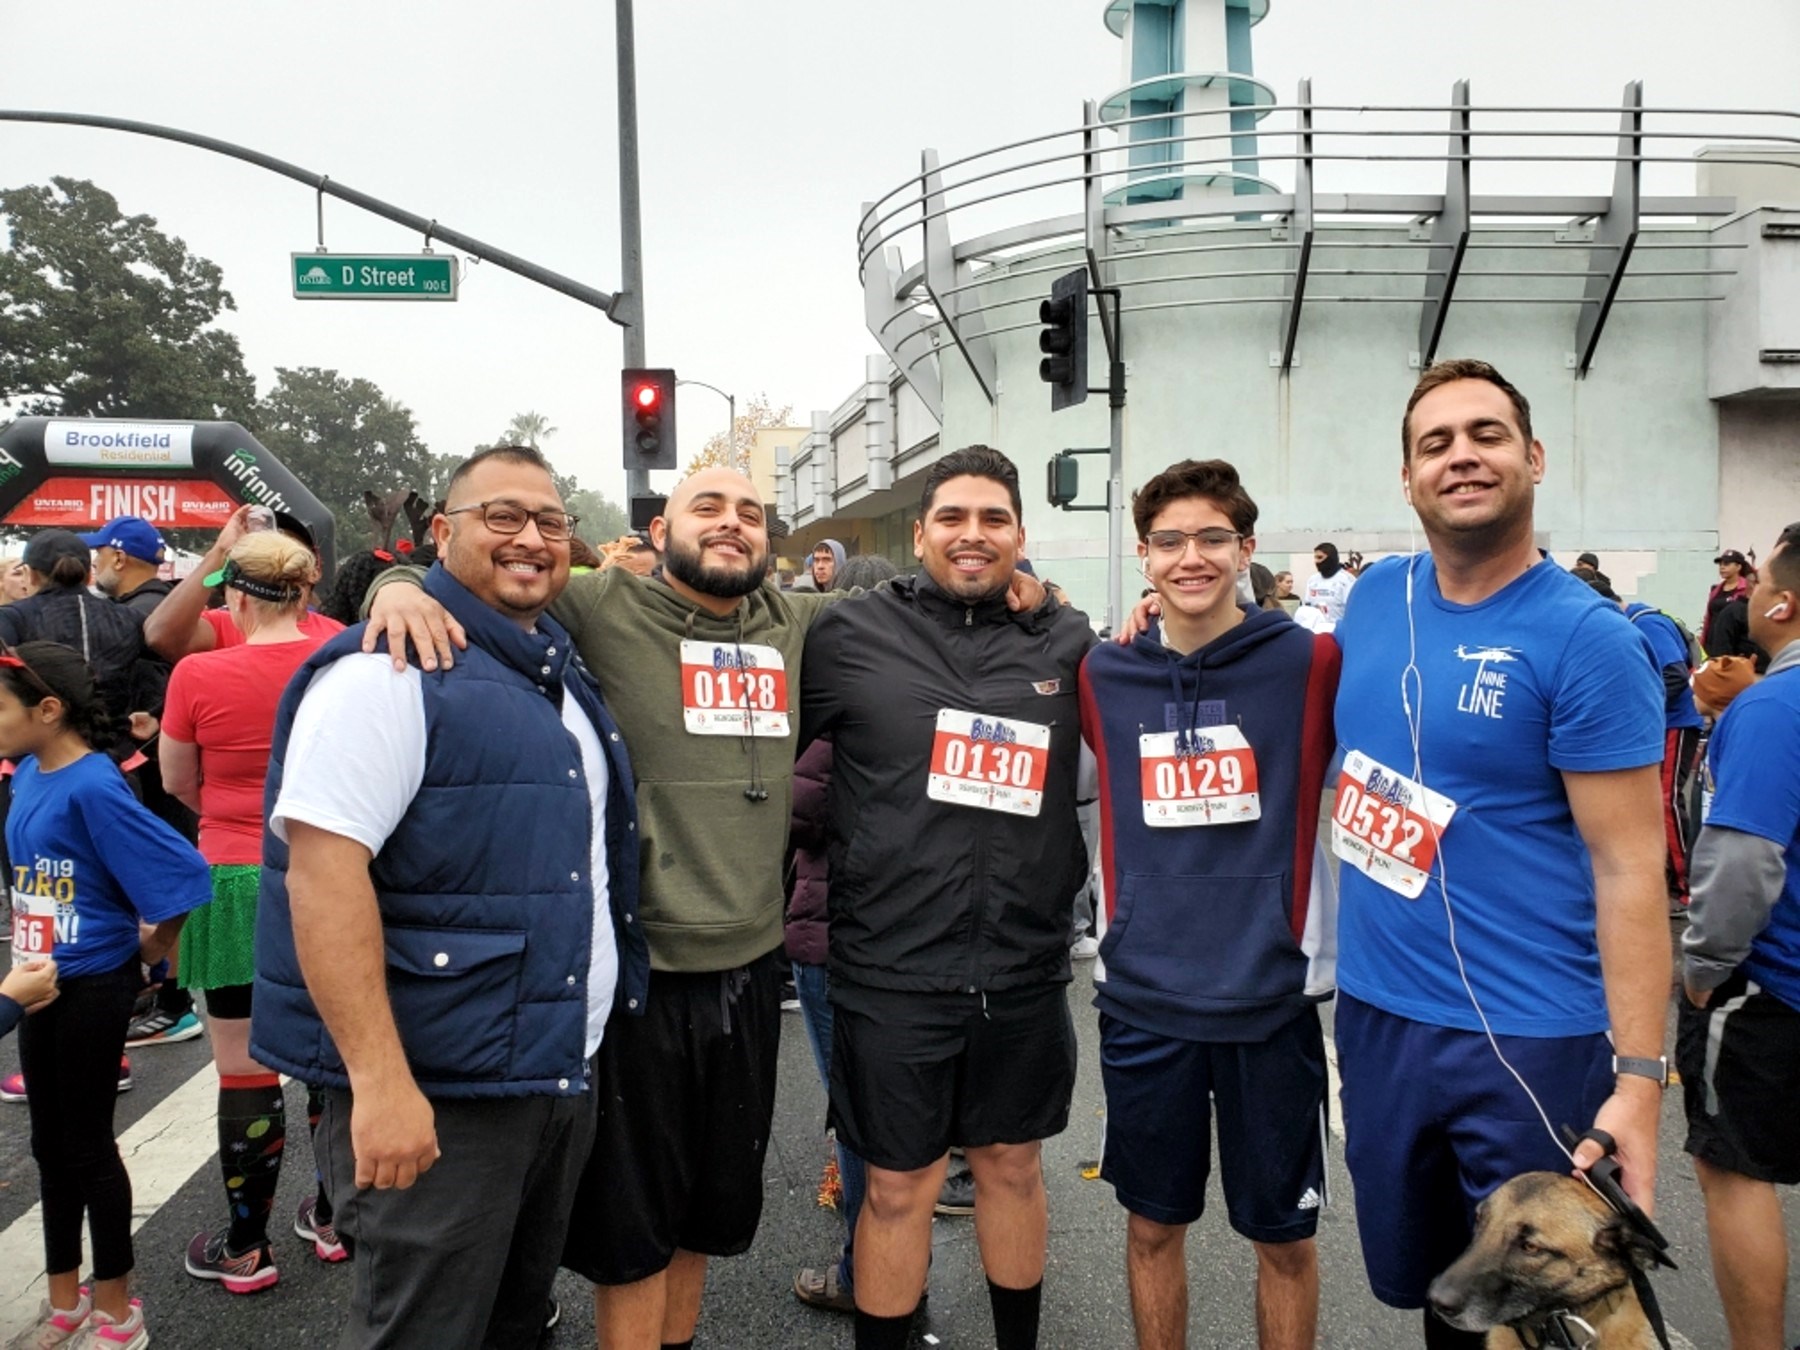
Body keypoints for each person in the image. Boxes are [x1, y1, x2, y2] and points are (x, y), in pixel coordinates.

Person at [364, 465, 833, 1350]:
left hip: (751, 973)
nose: (732, 524)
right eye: (708, 508)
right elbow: (491, 581)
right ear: (661, 533)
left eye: (751, 514)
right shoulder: (599, 606)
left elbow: (918, 614)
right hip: (639, 978)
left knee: (710, 1212)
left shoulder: (797, 622)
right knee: (631, 1232)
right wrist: (397, 587)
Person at [251, 445, 646, 1346]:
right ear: (441, 533)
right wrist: (380, 1084)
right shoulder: (385, 672)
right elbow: (321, 874)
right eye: (501, 517)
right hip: (435, 1093)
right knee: (421, 1331)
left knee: (515, 1322)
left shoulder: (554, 666)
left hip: (548, 1074)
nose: (531, 538)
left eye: (550, 522)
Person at [1330, 359, 1667, 1349]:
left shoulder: (1586, 639)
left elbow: (1630, 872)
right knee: (1448, 1300)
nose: (1462, 456)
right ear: (1407, 479)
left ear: (1533, 457)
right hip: (1381, 1022)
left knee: (1557, 1320)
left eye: (1486, 434)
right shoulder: (1374, 596)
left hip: (1526, 1041)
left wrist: (1640, 1083)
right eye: (1435, 443)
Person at [799, 446, 1093, 1350]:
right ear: (921, 532)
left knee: (1012, 1170)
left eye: (993, 519)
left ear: (1020, 536)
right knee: (895, 1187)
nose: (974, 536)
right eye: (955, 519)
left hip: (1022, 965)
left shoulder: (1066, 640)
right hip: (891, 969)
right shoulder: (845, 634)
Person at [1082, 460, 1340, 1350]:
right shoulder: (1101, 673)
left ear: (1247, 549)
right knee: (1152, 1227)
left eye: (1212, 538)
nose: (1192, 558)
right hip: (1145, 1001)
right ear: (1143, 556)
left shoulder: (1312, 662)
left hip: (1272, 1003)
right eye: (1169, 541)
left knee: (1286, 1241)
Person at [3, 640, 211, 1350]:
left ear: (48, 710)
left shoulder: (93, 783)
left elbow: (181, 867)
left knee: (88, 1146)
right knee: (48, 1145)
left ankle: (118, 1309)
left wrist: (149, 950)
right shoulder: (27, 772)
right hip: (36, 983)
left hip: (91, 983)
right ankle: (64, 1299)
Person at [158, 531, 334, 1293]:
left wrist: (232, 817)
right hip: (329, 875)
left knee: (243, 1070)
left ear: (233, 592)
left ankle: (245, 1248)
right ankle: (332, 1218)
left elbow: (176, 781)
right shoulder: (338, 655)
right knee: (336, 1056)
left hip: (232, 875)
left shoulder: (199, 671)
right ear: (306, 589)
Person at [1677, 522, 1800, 1350]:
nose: (1748, 595)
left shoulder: (1771, 707)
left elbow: (1744, 859)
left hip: (1771, 987)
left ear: (1783, 603)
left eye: (1757, 584)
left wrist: (1703, 966)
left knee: (1734, 1171)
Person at [788, 552, 899, 1318]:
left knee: (859, 1112)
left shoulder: (837, 706)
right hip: (895, 934)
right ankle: (892, 1263)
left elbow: (802, 812)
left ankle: (869, 1272)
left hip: (833, 934)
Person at [80, 515, 205, 1048]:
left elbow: (159, 699)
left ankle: (175, 1002)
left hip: (154, 768)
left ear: (116, 557)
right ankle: (164, 993)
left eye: (96, 554)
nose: (92, 566)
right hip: (161, 767)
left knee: (166, 881)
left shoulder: (139, 616)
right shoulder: (153, 608)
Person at [0, 531, 149, 754]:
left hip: (39, 757)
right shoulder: (130, 617)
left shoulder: (12, 617)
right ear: (89, 575)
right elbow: (158, 672)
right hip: (118, 754)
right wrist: (154, 712)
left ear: (30, 575)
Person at [143, 507, 341, 661]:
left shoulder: (338, 637)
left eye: (290, 549)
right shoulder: (226, 622)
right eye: (258, 551)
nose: (275, 555)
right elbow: (160, 636)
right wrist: (220, 551)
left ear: (316, 569)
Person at [1619, 595, 1705, 912]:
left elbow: (1675, 675)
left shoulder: (1647, 622)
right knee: (1653, 801)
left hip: (1676, 723)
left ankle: (1682, 889)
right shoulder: (1638, 622)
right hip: (1664, 723)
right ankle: (1666, 879)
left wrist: (1641, 708)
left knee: (1666, 800)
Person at [1703, 549, 1754, 654]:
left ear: (1738, 567)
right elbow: (1708, 618)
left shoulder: (1747, 588)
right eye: (1720, 564)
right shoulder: (1716, 589)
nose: (1722, 567)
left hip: (1735, 646)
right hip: (1712, 644)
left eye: (1726, 564)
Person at [1300, 543, 1355, 629]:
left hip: (1337, 630)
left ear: (1330, 558)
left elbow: (1352, 610)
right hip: (1316, 631)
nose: (1316, 561)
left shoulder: (1347, 580)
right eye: (1315, 557)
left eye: (1320, 557)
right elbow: (1308, 606)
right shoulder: (1312, 580)